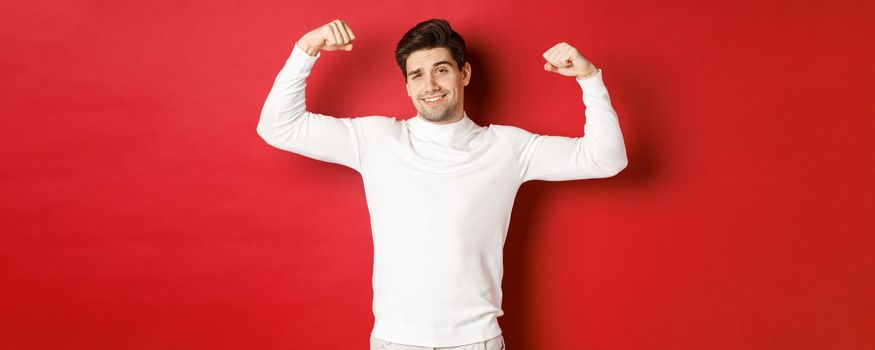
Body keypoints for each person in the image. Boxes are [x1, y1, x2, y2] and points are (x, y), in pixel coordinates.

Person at [258, 18, 628, 350]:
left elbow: (606, 159)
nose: (430, 85)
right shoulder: (375, 139)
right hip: (395, 340)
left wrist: (589, 79)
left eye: (441, 70)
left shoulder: (508, 148)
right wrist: (306, 49)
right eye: (417, 74)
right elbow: (279, 127)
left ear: (464, 73)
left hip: (476, 340)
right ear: (406, 85)